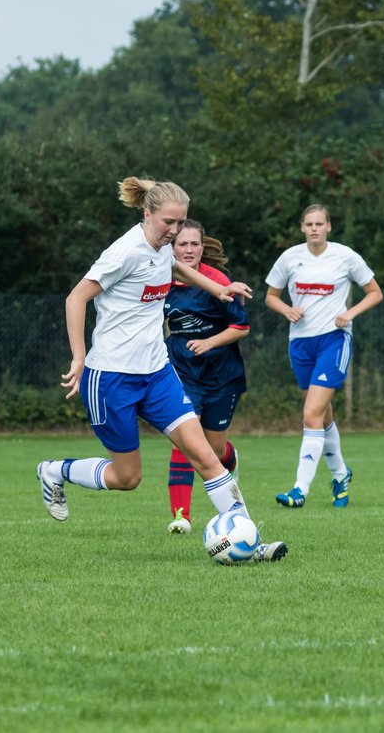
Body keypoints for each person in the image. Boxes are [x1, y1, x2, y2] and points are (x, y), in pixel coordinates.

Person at [37, 177, 286, 562]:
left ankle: (248, 542)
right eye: (168, 222)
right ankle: (55, 471)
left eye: (181, 222)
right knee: (127, 478)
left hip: (157, 374)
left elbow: (177, 268)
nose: (174, 230)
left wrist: (216, 289)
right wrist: (78, 356)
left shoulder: (161, 248)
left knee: (206, 456)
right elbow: (76, 298)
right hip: (111, 378)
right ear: (147, 213)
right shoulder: (124, 252)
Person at [265, 204, 383, 509]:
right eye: (309, 224)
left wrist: (350, 313)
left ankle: (299, 490)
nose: (314, 228)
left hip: (334, 340)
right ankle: (341, 475)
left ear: (329, 226)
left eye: (320, 223)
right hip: (301, 344)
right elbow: (271, 297)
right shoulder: (290, 258)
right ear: (302, 228)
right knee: (322, 415)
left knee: (310, 414)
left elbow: (375, 292)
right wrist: (287, 310)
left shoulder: (345, 256)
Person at [161, 220, 249, 534]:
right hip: (182, 372)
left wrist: (209, 343)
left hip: (222, 374)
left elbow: (242, 327)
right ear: (171, 248)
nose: (188, 250)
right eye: (181, 244)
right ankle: (181, 517)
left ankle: (230, 458)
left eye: (194, 244)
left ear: (202, 247)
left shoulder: (217, 281)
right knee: (185, 441)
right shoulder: (161, 280)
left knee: (212, 449)